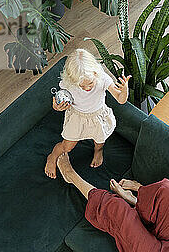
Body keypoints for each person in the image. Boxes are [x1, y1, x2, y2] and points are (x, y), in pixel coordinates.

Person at [44, 49, 132, 178]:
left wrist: (124, 90)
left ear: (96, 73)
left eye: (90, 83)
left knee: (100, 140)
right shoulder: (69, 83)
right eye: (82, 86)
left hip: (98, 116)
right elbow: (59, 103)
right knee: (67, 147)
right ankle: (52, 156)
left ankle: (98, 151)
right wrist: (57, 107)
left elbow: (121, 99)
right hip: (77, 117)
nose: (86, 88)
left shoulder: (102, 79)